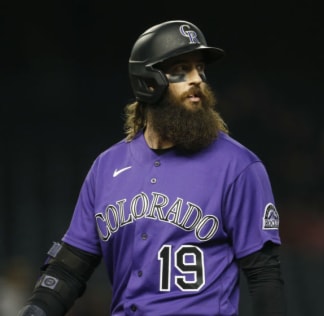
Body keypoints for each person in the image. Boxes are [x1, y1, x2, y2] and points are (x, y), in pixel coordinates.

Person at [17, 20, 286, 316]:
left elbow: (265, 278)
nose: (196, 79)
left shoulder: (238, 166)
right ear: (148, 80)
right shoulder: (107, 167)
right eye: (181, 69)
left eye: (200, 69)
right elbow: (69, 270)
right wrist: (36, 310)